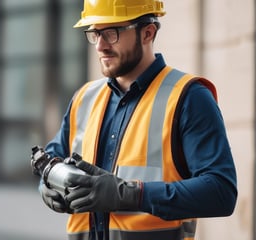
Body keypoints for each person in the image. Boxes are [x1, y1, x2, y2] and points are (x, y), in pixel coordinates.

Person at [38, 1, 237, 240]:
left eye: (111, 33)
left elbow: (221, 192)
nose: (100, 45)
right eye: (94, 32)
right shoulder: (84, 99)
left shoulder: (189, 97)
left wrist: (131, 195)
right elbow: (53, 157)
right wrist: (47, 184)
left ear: (147, 33)